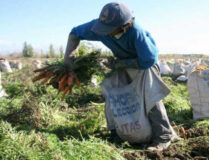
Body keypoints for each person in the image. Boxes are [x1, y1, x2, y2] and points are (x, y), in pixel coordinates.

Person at [63, 2, 181, 151]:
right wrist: (69, 60)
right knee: (111, 91)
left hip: (143, 65)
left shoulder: (136, 32)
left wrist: (119, 64)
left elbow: (149, 60)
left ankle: (163, 136)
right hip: (120, 63)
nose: (105, 33)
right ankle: (116, 133)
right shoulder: (99, 27)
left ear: (125, 26)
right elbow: (75, 33)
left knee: (149, 94)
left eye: (109, 30)